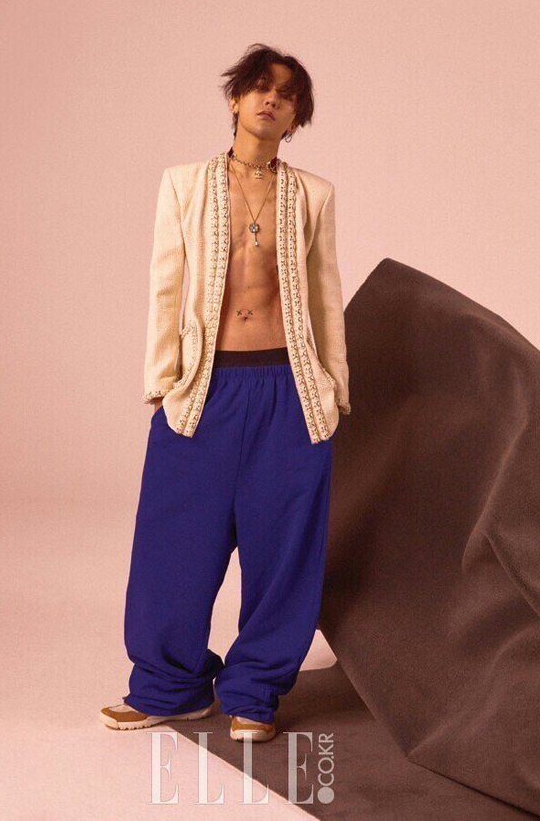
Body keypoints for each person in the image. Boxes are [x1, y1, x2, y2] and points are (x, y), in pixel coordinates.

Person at [100, 43, 351, 743]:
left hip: (289, 390)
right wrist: (163, 382)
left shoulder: (314, 194)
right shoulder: (184, 184)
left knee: (282, 551)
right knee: (174, 543)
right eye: (259, 87)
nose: (271, 99)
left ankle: (254, 693)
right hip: (206, 390)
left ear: (297, 117)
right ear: (236, 99)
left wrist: (334, 392)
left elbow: (326, 298)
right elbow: (165, 286)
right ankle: (168, 686)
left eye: (287, 94)